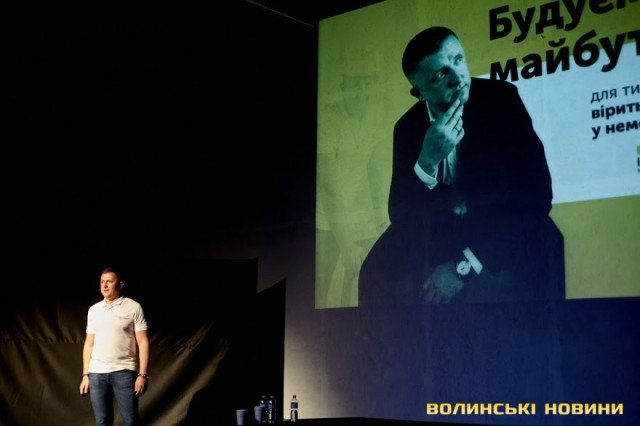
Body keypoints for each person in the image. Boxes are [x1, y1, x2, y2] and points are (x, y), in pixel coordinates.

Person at [359, 26, 565, 306]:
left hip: (502, 222)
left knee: (498, 286)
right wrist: (426, 162)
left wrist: (462, 267)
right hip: (443, 227)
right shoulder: (407, 127)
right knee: (374, 271)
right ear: (419, 93)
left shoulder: (502, 100)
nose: (457, 78)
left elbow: (537, 194)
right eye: (439, 75)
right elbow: (399, 214)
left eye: (458, 60)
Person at [79, 267, 150, 425]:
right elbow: (89, 344)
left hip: (124, 371)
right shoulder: (94, 310)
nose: (104, 286)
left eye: (109, 282)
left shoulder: (133, 307)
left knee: (130, 421)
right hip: (97, 374)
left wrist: (142, 375)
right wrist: (85, 375)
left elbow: (143, 342)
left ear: (120, 284)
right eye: (102, 282)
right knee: (102, 421)